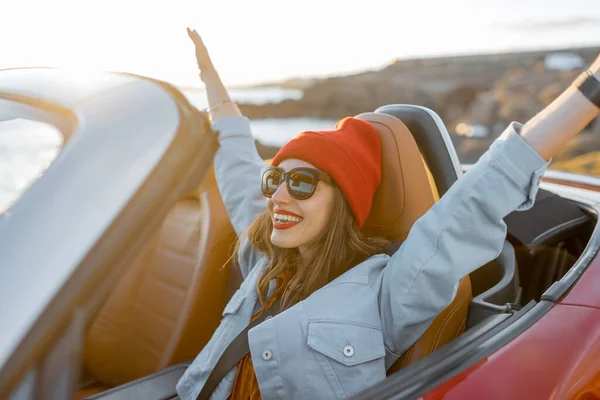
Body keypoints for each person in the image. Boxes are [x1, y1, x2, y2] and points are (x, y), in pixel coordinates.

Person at [177, 28, 600, 400]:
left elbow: (480, 197)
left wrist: (591, 89)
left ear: (342, 201)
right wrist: (209, 78)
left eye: (302, 183)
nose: (279, 197)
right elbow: (237, 160)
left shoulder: (385, 294)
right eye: (274, 181)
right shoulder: (265, 252)